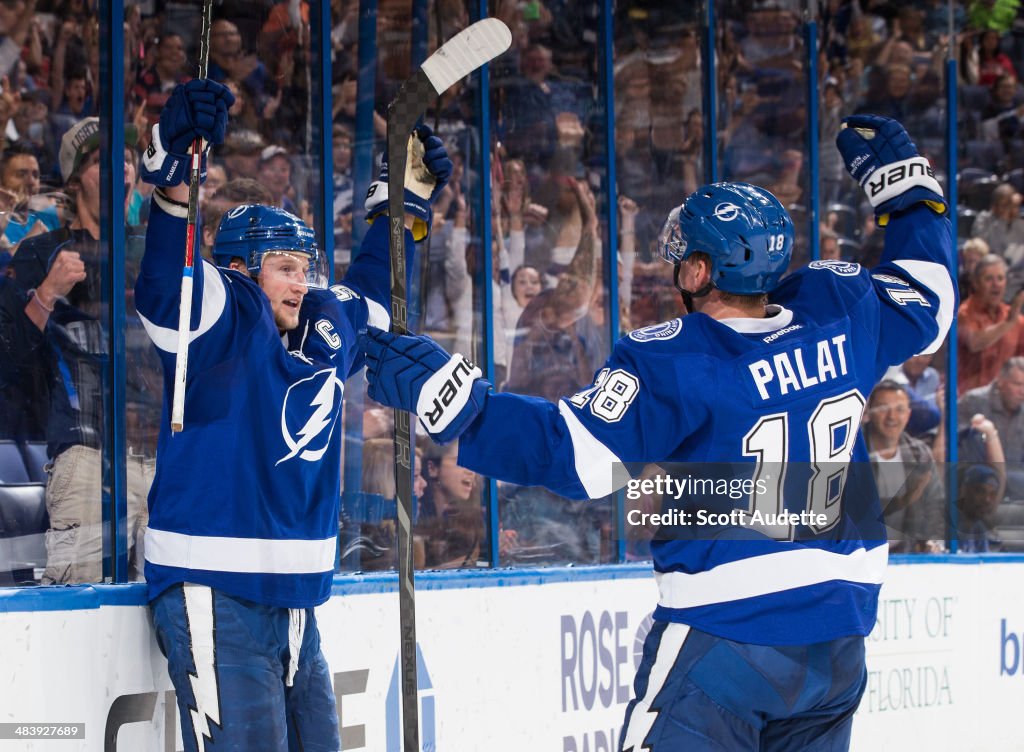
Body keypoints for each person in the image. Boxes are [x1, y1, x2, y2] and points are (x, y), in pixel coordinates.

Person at [360, 115, 955, 749]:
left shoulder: (677, 358)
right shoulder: (842, 308)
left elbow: (579, 458)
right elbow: (930, 299)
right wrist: (908, 193)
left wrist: (452, 401)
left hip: (728, 643)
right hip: (840, 646)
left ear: (700, 272)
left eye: (684, 256)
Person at [135, 79, 450, 750]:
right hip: (214, 589)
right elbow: (167, 283)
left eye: (306, 266)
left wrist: (403, 204)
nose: (301, 281)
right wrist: (171, 181)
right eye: (284, 267)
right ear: (242, 271)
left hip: (297, 604)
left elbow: (376, 298)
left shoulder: (319, 320)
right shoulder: (225, 318)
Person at [0, 117, 152, 583]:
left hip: (159, 457)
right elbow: (9, 360)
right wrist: (46, 294)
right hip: (85, 457)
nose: (121, 168)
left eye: (126, 159)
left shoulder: (150, 253)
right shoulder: (42, 253)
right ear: (73, 179)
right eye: (102, 160)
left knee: (173, 615)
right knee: (79, 612)